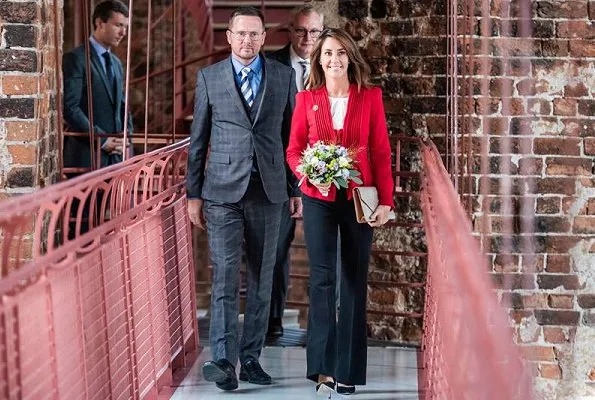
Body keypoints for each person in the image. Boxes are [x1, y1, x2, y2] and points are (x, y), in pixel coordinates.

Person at [186, 6, 300, 392]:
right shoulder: (209, 78)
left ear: (264, 37)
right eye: (241, 34)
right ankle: (223, 360)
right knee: (224, 276)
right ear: (230, 36)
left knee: (261, 278)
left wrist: (294, 189)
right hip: (221, 193)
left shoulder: (283, 77)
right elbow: (197, 142)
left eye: (254, 34)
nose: (247, 41)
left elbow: (292, 140)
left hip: (269, 192)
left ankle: (250, 358)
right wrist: (193, 195)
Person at [286, 28, 394, 396]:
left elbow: (380, 152)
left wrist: (386, 202)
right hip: (318, 198)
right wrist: (307, 172)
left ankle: (348, 371)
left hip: (359, 197)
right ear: (318, 59)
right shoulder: (306, 100)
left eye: (341, 53)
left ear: (351, 58)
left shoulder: (370, 98)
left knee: (352, 279)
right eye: (328, 53)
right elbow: (293, 150)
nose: (334, 59)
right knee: (321, 280)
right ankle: (322, 369)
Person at [265, 5, 324, 338]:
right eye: (301, 31)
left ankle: (321, 327)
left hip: (324, 173)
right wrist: (290, 181)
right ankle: (273, 323)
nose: (307, 38)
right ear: (290, 30)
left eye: (314, 31)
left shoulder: (331, 64)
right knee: (275, 251)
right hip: (278, 173)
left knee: (325, 251)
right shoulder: (270, 65)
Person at [63, 0, 133, 172]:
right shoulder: (76, 58)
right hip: (86, 156)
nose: (123, 32)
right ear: (99, 23)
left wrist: (127, 137)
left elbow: (122, 106)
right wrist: (101, 140)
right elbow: (70, 107)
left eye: (125, 26)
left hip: (116, 158)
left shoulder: (116, 63)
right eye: (118, 25)